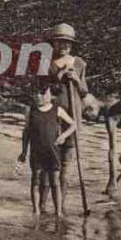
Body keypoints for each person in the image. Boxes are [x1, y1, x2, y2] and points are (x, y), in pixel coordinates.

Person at [44, 23, 90, 210]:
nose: (64, 46)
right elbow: (42, 90)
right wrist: (59, 78)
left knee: (66, 164)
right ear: (53, 43)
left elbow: (85, 91)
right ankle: (43, 205)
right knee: (50, 163)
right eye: (60, 42)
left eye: (67, 43)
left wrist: (77, 81)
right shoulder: (46, 63)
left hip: (73, 117)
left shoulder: (79, 63)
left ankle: (60, 207)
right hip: (53, 117)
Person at [19, 86, 76, 217]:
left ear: (50, 95)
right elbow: (26, 132)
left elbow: (73, 125)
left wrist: (63, 136)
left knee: (55, 182)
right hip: (36, 151)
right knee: (36, 181)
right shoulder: (31, 111)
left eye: (43, 93)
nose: (39, 96)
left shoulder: (57, 110)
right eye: (37, 93)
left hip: (53, 151)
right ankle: (36, 211)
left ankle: (58, 211)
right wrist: (23, 151)